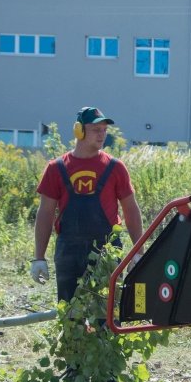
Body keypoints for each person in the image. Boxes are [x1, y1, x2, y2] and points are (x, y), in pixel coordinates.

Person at [31, 106, 143, 302]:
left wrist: (138, 252)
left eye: (104, 130)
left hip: (107, 251)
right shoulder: (56, 168)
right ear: (79, 131)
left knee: (107, 316)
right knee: (70, 315)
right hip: (68, 252)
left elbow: (131, 211)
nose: (102, 135)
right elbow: (45, 213)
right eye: (95, 130)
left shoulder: (115, 168)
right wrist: (39, 257)